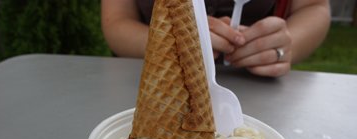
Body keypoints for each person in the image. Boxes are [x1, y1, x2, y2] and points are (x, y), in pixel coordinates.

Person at [101, 0, 330, 77]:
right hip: (150, 80)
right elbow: (117, 20)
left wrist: (285, 45)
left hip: (256, 84)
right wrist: (163, 42)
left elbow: (314, 6)